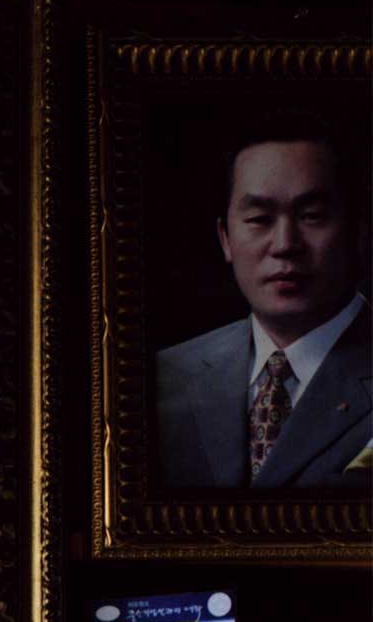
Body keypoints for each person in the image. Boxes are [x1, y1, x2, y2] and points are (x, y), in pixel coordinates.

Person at [155, 111, 371, 490]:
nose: (286, 244)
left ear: (357, 229)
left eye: (312, 215)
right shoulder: (163, 377)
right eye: (259, 218)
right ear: (225, 238)